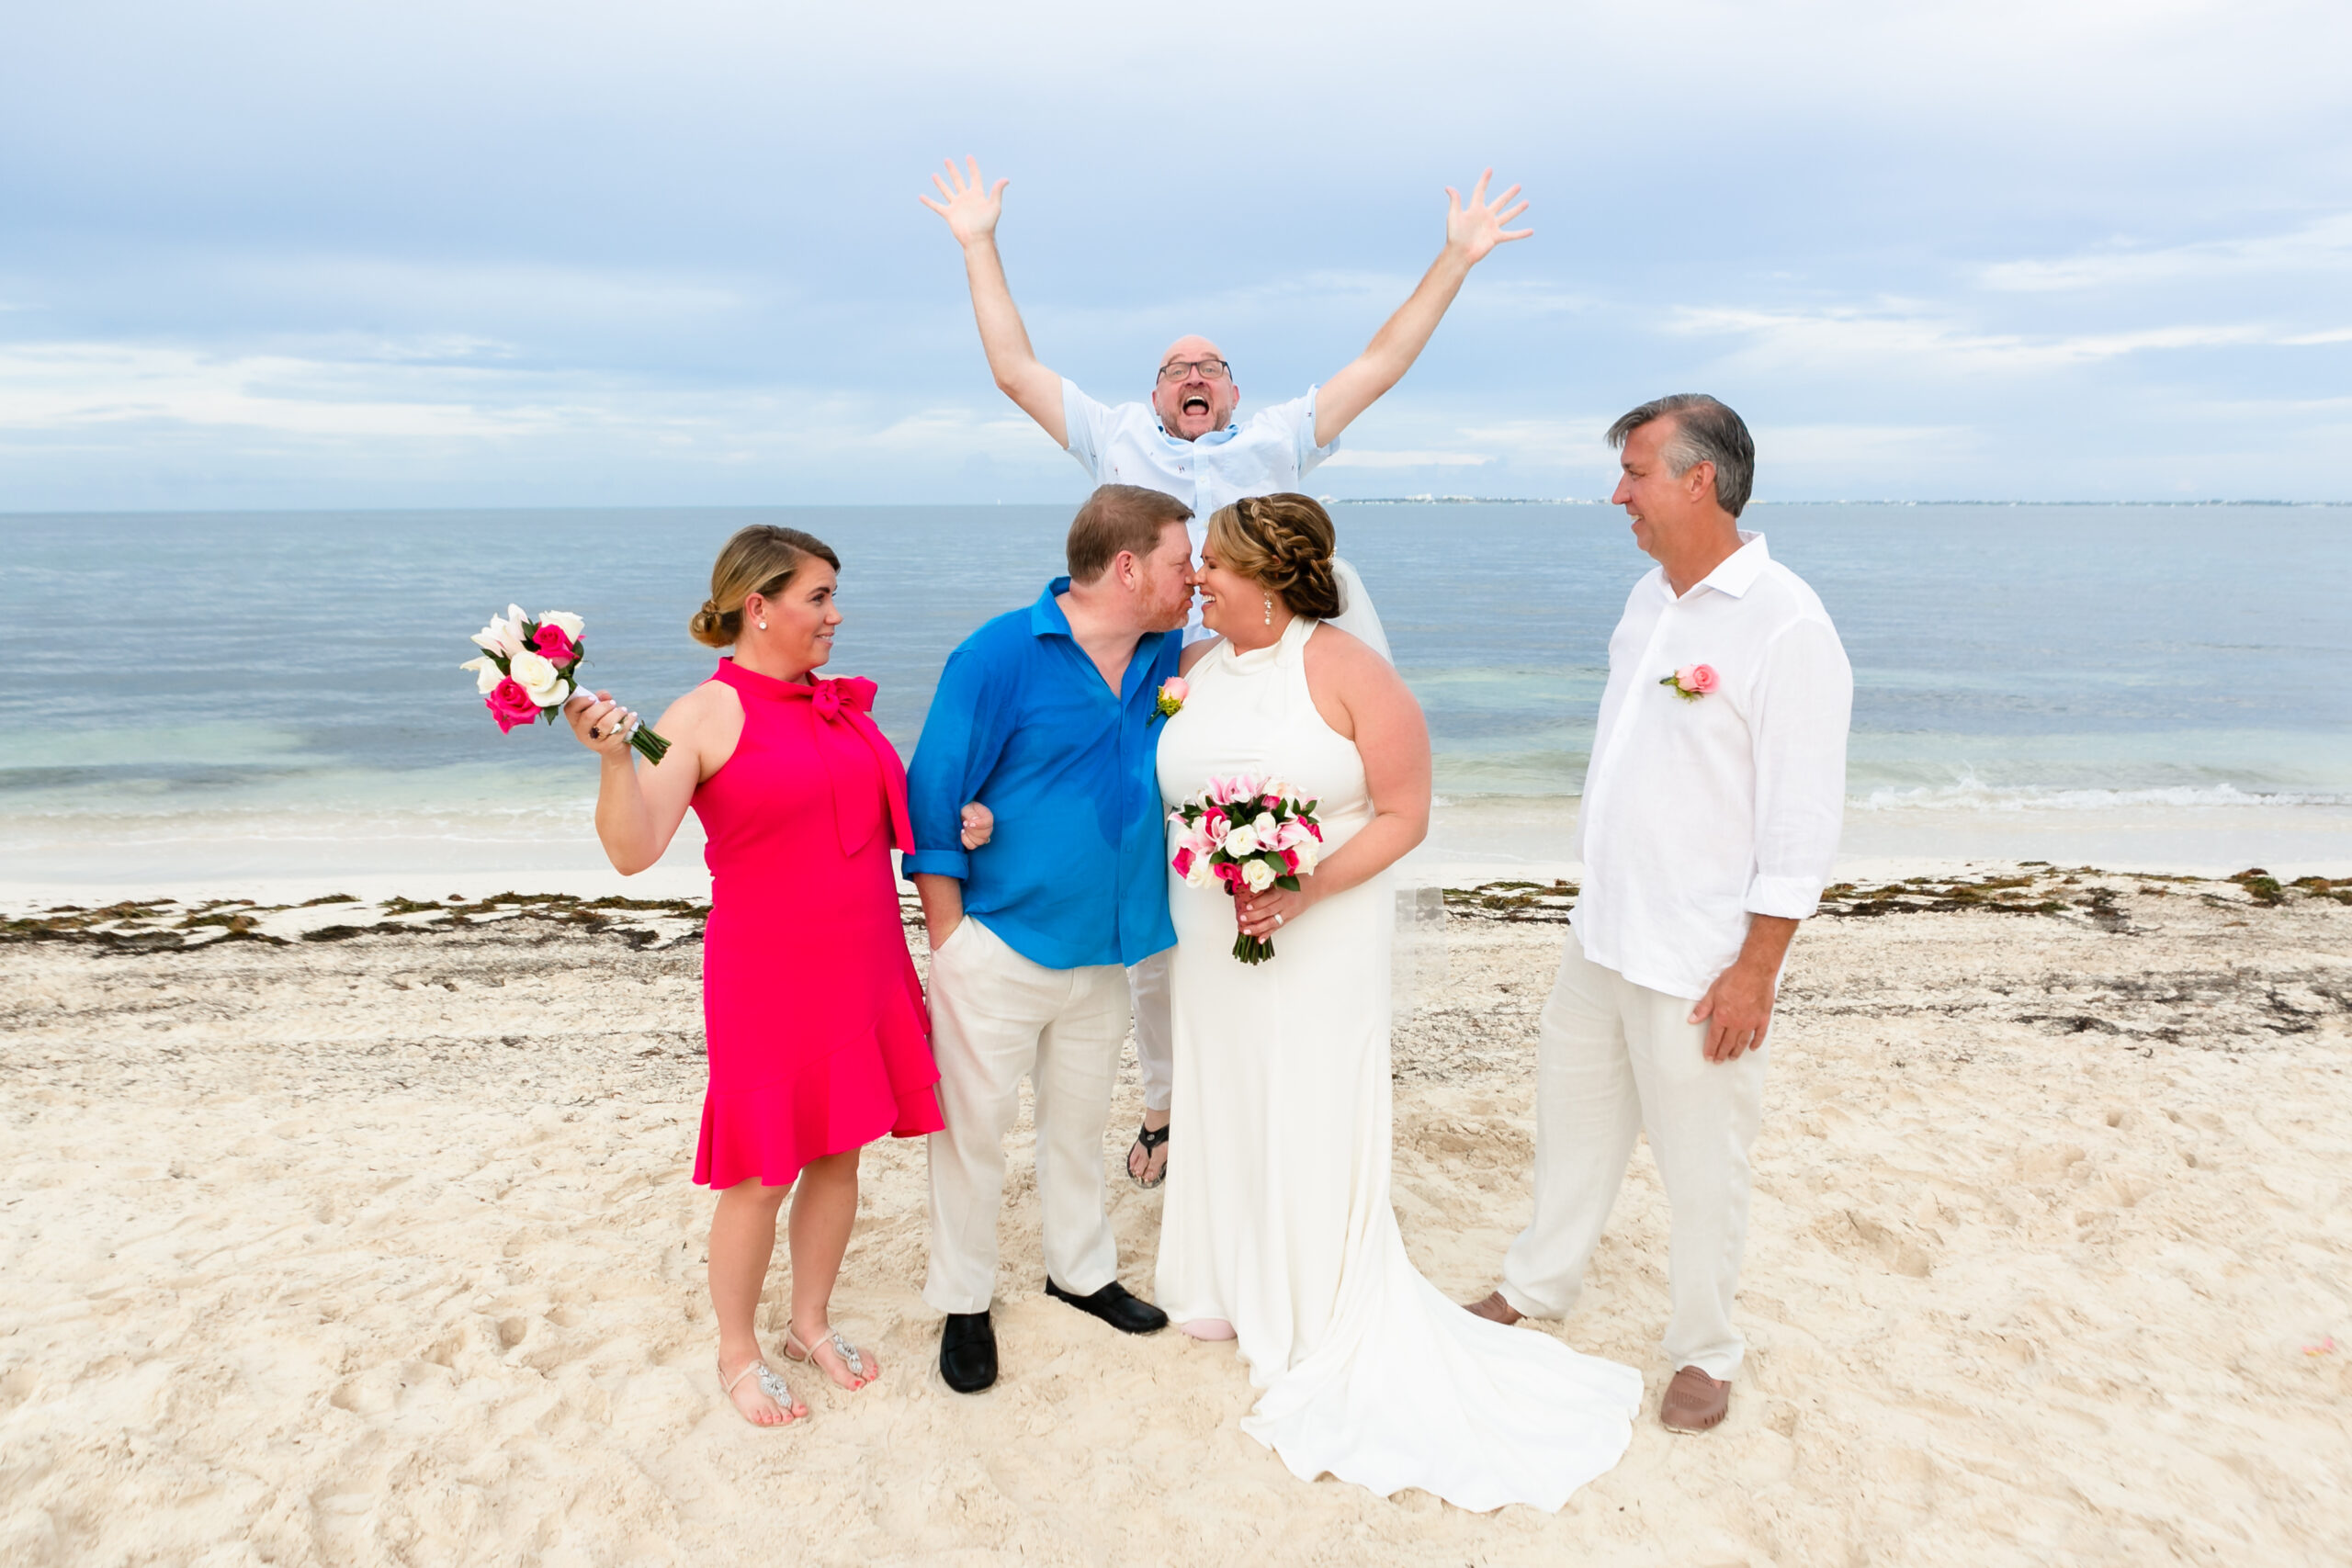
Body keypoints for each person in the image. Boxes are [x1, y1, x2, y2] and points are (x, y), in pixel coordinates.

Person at [922, 156, 1532, 1186]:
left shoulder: (1280, 438)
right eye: (1173, 366)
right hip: (1166, 686)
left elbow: (1381, 361)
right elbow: (1014, 369)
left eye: (1210, 364)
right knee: (1164, 896)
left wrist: (1456, 257)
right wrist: (979, 241)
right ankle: (1167, 1104)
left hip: (1275, 672)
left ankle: (1293, 1076)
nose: (1192, 374)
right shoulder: (1113, 439)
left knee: (1292, 847)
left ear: (1235, 390)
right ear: (1151, 392)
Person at [1153, 493, 1640, 1510]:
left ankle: (1311, 1294)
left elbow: (1408, 812)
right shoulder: (1190, 669)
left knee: (1309, 1087)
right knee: (1225, 1082)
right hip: (1207, 923)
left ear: (1272, 576)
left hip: (1319, 924)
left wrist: (1301, 884)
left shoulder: (1349, 671)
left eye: (1214, 564)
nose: (1197, 577)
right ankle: (1219, 1280)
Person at [1464, 396, 1853, 1436]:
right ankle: (1536, 1286)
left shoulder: (1787, 622)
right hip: (1603, 933)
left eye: (1635, 473)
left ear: (1700, 481)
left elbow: (1803, 817)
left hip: (1699, 955)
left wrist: (1755, 968)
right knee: (1573, 1125)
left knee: (1703, 1161)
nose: (1617, 494)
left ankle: (1705, 1348)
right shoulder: (1648, 601)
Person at [563, 525, 944, 1427]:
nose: (834, 615)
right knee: (763, 1169)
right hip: (768, 971)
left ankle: (807, 1320)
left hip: (862, 955)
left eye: (832, 596)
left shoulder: (839, 705)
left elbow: (882, 812)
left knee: (840, 1148)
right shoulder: (695, 719)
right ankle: (737, 1347)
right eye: (818, 598)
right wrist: (617, 755)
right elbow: (634, 846)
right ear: (758, 606)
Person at [903, 484, 1197, 1393]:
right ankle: (963, 1299)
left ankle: (1080, 1272)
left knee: (1076, 1124)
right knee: (974, 1133)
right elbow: (933, 791)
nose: (1192, 580)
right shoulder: (996, 655)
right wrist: (950, 932)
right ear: (1127, 567)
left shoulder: (1168, 656)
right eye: (1181, 563)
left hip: (1110, 949)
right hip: (999, 942)